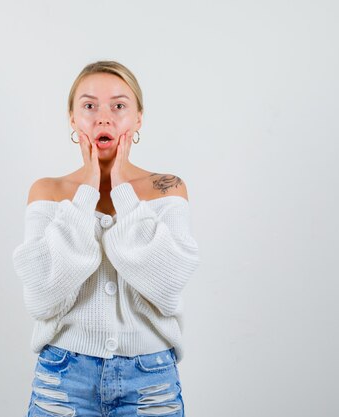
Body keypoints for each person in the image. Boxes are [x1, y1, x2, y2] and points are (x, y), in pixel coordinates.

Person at [12, 60, 201, 417]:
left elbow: (168, 284)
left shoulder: (168, 189)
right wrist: (84, 192)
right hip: (62, 380)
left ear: (139, 118)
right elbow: (41, 298)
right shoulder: (47, 192)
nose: (103, 118)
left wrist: (123, 190)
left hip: (150, 383)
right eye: (89, 106)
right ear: (72, 118)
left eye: (118, 106)